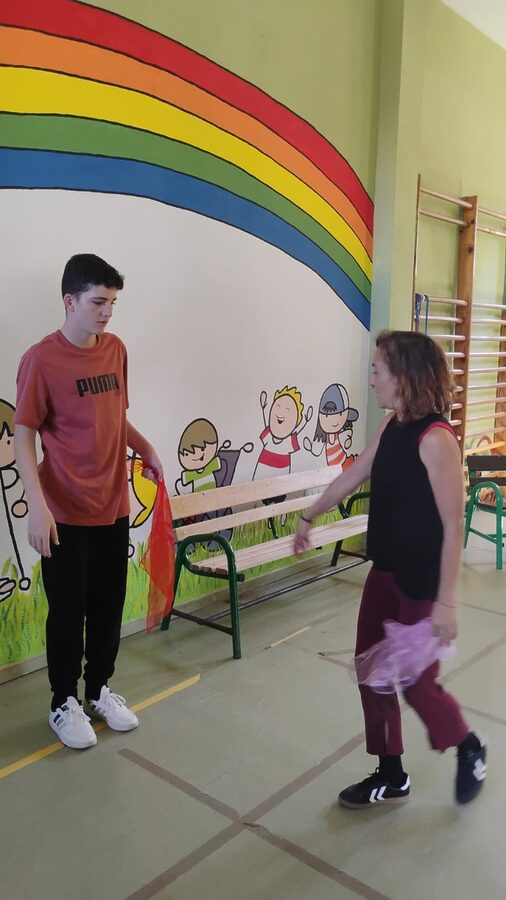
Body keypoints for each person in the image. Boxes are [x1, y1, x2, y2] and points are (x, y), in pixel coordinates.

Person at [294, 330, 487, 807]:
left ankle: (468, 745)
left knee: (416, 684)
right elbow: (354, 473)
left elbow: (453, 526)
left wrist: (446, 602)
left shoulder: (436, 439)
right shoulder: (391, 426)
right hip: (384, 572)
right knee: (371, 671)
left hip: (421, 585)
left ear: (403, 376)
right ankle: (391, 772)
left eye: (377, 369)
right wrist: (309, 515)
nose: (371, 378)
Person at [14, 254, 164, 750]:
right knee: (67, 611)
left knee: (107, 605)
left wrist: (145, 448)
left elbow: (115, 416)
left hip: (112, 505)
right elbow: (23, 435)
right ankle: (63, 701)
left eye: (113, 303)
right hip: (63, 512)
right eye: (98, 302)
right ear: (70, 301)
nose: (107, 313)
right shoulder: (41, 360)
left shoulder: (115, 350)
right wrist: (37, 506)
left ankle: (98, 689)